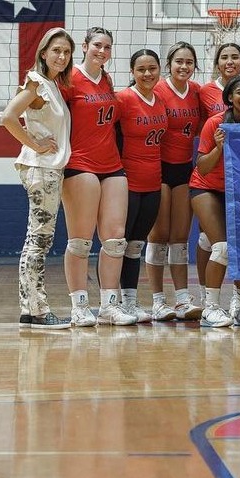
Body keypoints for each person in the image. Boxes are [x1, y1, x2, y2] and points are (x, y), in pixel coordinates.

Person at [59, 26, 136, 326]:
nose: (102, 51)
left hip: (112, 164)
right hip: (80, 164)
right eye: (97, 46)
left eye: (107, 47)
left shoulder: (106, 79)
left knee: (116, 239)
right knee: (80, 241)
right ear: (85, 46)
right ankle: (79, 306)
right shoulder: (69, 78)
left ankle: (109, 306)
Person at [1, 27, 75, 329]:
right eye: (56, 50)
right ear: (43, 53)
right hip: (41, 168)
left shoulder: (53, 84)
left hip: (49, 169)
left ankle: (31, 309)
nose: (62, 56)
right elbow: (8, 117)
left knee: (39, 238)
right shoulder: (37, 83)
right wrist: (35, 144)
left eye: (66, 52)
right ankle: (37, 310)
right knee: (39, 239)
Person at [190, 74, 240, 328]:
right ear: (230, 98)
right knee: (223, 247)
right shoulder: (215, 123)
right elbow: (202, 168)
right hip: (207, 188)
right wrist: (219, 147)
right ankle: (210, 308)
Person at [146, 42, 204, 322]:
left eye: (189, 62)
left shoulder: (197, 92)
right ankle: (158, 301)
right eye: (179, 61)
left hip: (184, 168)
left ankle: (182, 299)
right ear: (169, 64)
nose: (184, 66)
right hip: (157, 169)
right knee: (158, 236)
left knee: (180, 238)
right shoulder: (157, 90)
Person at [115, 49, 168, 323]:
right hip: (127, 183)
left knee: (136, 245)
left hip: (153, 182)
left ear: (159, 70)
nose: (147, 74)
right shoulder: (123, 99)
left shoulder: (160, 100)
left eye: (152, 68)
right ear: (132, 72)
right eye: (141, 69)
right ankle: (112, 302)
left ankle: (131, 302)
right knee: (118, 245)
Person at [196, 42, 240, 300]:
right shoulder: (205, 94)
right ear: (216, 63)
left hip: (239, 181)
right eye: (224, 57)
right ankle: (208, 300)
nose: (230, 62)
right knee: (214, 242)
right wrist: (216, 148)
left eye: (235, 57)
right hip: (208, 179)